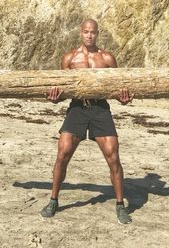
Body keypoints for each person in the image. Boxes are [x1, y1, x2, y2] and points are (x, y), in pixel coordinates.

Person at [40, 19, 133, 224]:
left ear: (98, 34)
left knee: (113, 158)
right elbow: (62, 91)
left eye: (93, 32)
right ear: (80, 33)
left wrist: (123, 98)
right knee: (62, 154)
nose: (89, 35)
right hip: (77, 109)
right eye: (86, 32)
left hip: (100, 109)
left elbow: (117, 89)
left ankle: (120, 205)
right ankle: (53, 201)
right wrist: (55, 98)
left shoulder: (107, 58)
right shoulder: (69, 58)